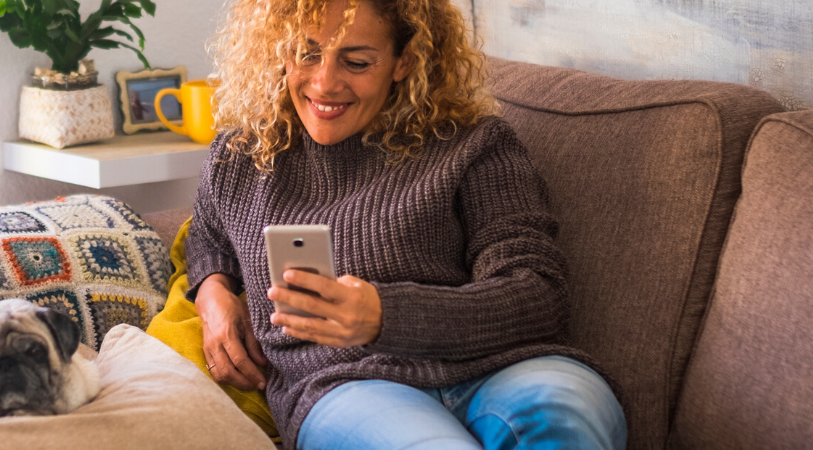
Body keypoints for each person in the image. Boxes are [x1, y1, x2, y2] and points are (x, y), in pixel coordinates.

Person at [186, 0, 627, 449]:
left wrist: (384, 315)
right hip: (347, 384)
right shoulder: (241, 155)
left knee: (564, 419)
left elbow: (537, 293)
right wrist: (211, 291)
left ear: (404, 62)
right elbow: (207, 233)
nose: (324, 82)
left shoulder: (474, 145)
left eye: (357, 62)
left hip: (505, 367)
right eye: (306, 53)